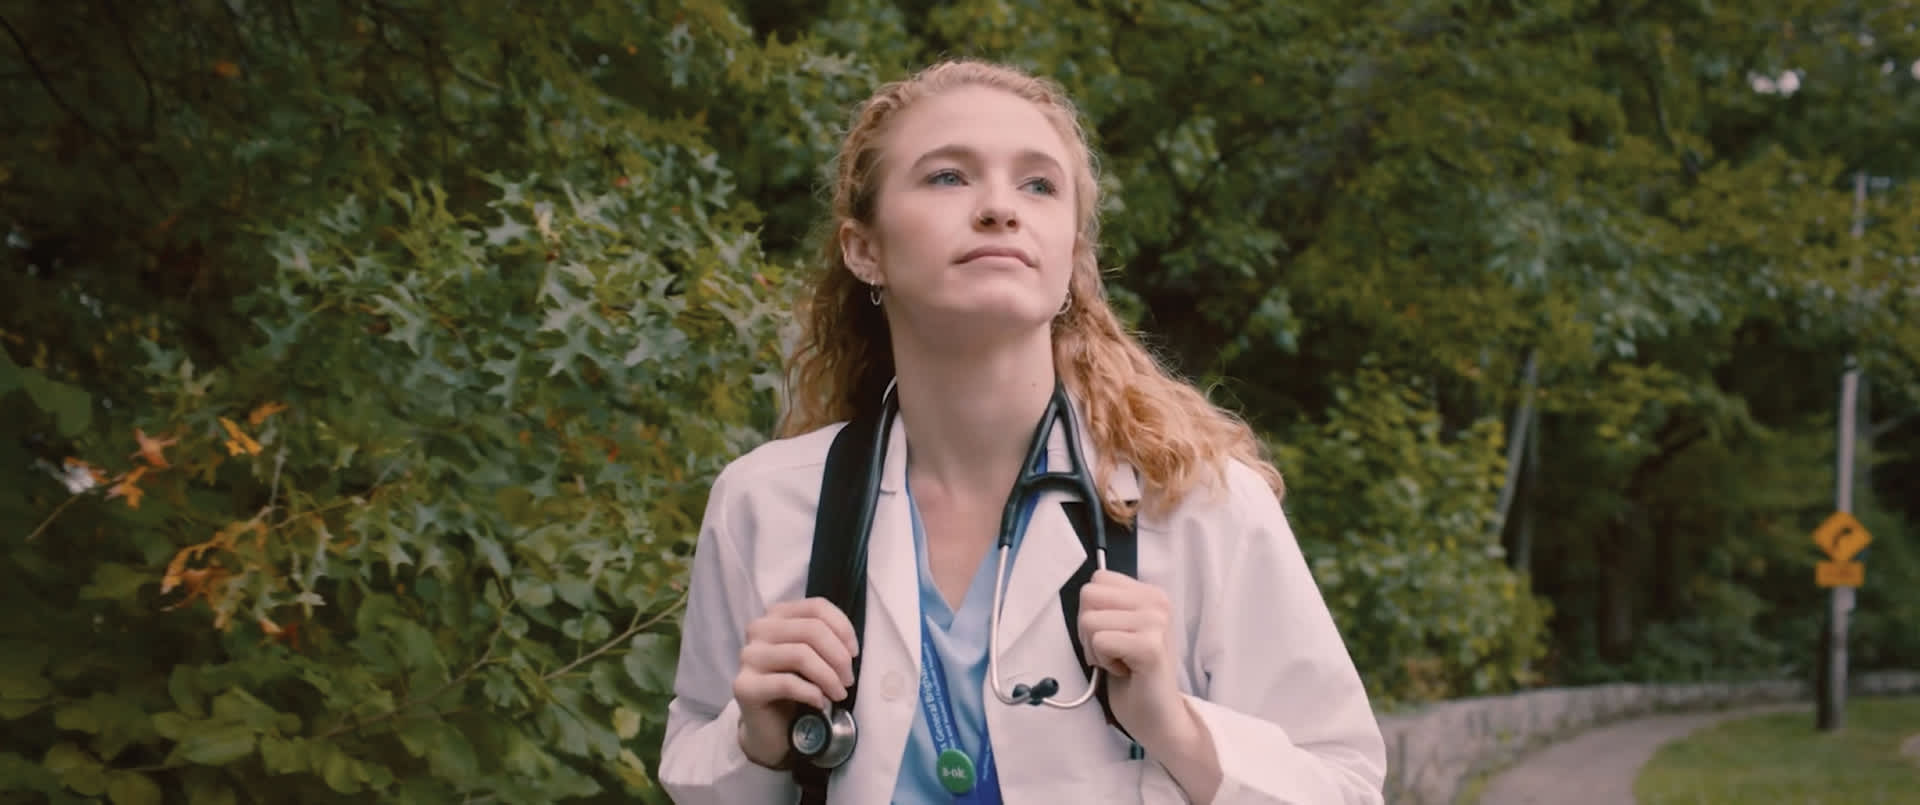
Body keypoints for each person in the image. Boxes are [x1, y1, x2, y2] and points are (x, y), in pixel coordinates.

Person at [656, 58, 1386, 804]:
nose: (1000, 208)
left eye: (1038, 184)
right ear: (863, 249)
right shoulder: (765, 505)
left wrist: (1176, 726)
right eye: (948, 177)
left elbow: (1347, 785)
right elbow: (693, 767)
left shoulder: (1198, 503)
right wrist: (754, 740)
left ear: (1070, 258)